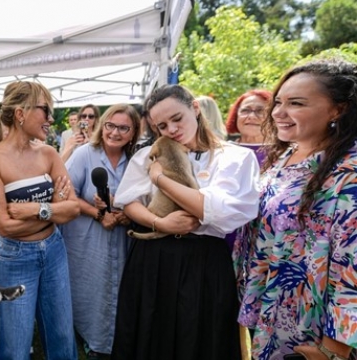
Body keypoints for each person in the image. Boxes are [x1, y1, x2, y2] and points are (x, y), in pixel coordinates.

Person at [111, 84, 260, 360]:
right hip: (153, 258)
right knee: (151, 335)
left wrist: (159, 179)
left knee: (201, 336)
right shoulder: (149, 154)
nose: (171, 130)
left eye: (177, 119)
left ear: (194, 108)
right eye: (162, 126)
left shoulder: (235, 157)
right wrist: (160, 223)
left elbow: (212, 210)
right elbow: (129, 201)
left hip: (204, 261)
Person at [239, 58, 357, 360]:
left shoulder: (349, 173)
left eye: (296, 103)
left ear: (337, 109)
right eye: (278, 101)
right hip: (269, 314)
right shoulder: (286, 154)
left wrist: (334, 349)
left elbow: (352, 267)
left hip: (312, 332)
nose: (279, 112)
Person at [0, 81, 80, 360]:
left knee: (61, 338)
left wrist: (35, 209)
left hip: (55, 250)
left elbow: (72, 209)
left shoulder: (48, 153)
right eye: (45, 110)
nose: (50, 119)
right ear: (20, 114)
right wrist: (54, 210)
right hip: (15, 258)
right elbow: (6, 227)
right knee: (16, 348)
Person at [60, 104, 140, 358]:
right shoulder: (85, 154)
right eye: (110, 125)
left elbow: (144, 198)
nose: (115, 133)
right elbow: (65, 194)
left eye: (123, 128)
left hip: (123, 239)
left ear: (133, 132)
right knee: (91, 290)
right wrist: (98, 214)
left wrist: (127, 214)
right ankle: (93, 343)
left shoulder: (137, 160)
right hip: (88, 240)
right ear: (102, 125)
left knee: (119, 290)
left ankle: (118, 342)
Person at [225, 89, 272, 166]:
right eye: (245, 110)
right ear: (236, 116)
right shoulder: (221, 152)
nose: (251, 116)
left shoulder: (286, 154)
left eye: (260, 111)